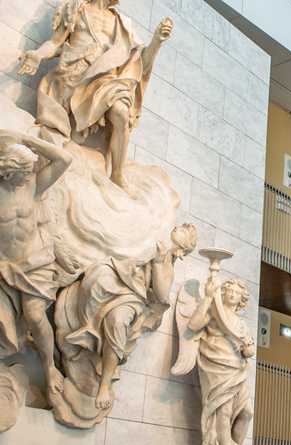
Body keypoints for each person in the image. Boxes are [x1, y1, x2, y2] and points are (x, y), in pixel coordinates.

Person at [17, 0, 173, 193]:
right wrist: (38, 55)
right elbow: (56, 43)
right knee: (69, 136)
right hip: (73, 77)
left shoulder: (122, 23)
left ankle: (117, 174)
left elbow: (140, 65)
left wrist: (157, 41)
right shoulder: (76, 9)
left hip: (106, 81)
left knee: (121, 113)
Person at [57, 224, 197, 409]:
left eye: (184, 231)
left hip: (133, 295)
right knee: (95, 278)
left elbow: (163, 296)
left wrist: (157, 262)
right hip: (117, 276)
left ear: (184, 246)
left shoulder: (167, 266)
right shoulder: (153, 237)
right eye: (181, 227)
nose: (178, 228)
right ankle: (86, 328)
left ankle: (104, 385)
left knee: (118, 321)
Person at [0, 130, 73, 395]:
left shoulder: (32, 185)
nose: (30, 174)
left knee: (34, 314)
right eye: (25, 170)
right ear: (9, 172)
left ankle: (49, 367)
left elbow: (64, 159)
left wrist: (28, 141)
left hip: (34, 261)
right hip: (5, 267)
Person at [187, 277, 259, 445]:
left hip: (237, 368)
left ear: (241, 299)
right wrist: (208, 298)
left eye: (237, 293)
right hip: (217, 365)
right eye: (229, 291)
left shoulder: (240, 323)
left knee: (247, 412)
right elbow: (193, 325)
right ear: (223, 293)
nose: (232, 294)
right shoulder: (214, 312)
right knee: (223, 411)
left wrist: (247, 350)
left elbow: (249, 349)